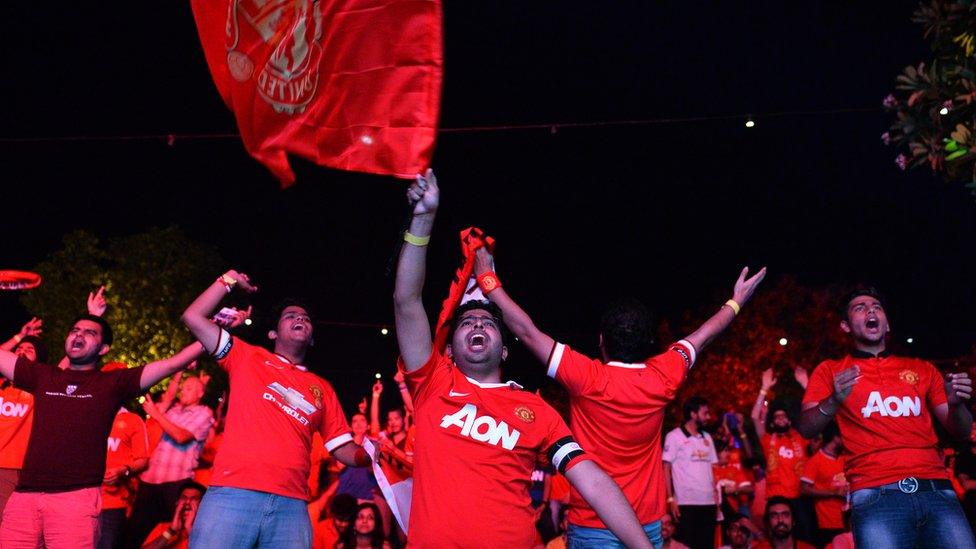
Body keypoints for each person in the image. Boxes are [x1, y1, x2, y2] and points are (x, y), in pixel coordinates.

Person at [393, 169, 654, 548]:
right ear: (447, 350)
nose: (478, 323)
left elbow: (592, 481)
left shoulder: (538, 411)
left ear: (504, 349)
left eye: (488, 321)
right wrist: (422, 219)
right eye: (466, 321)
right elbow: (406, 302)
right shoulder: (432, 382)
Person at [474, 236, 764, 548]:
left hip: (592, 522)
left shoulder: (587, 376)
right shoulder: (664, 375)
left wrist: (487, 279)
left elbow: (526, 331)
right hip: (646, 523)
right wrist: (736, 301)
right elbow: (703, 335)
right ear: (648, 344)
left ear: (601, 341)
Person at [181, 275, 368, 548]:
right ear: (273, 333)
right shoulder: (246, 356)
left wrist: (372, 456)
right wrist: (228, 280)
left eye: (306, 319)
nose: (300, 319)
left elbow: (342, 448)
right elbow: (193, 317)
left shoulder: (323, 389)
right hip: (233, 494)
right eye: (291, 316)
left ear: (312, 338)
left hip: (291, 506)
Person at [0, 312, 204, 548]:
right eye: (75, 330)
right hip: (24, 497)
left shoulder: (112, 383)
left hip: (74, 500)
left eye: (89, 332)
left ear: (104, 348)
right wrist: (18, 337)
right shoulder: (44, 376)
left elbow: (173, 362)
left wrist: (213, 334)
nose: (79, 335)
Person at [796, 286, 976, 547]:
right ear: (845, 326)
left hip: (937, 491)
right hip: (875, 495)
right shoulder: (831, 371)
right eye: (860, 308)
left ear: (887, 323)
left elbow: (961, 430)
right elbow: (805, 428)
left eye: (876, 307)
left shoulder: (922, 369)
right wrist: (834, 399)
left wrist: (957, 405)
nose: (870, 310)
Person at [126, 374, 214, 547]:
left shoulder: (203, 413)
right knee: (133, 535)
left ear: (200, 394)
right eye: (183, 387)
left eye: (189, 388)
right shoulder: (173, 411)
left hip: (176, 484)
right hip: (149, 481)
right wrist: (179, 372)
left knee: (176, 534)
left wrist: (157, 415)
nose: (183, 390)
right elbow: (168, 397)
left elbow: (181, 436)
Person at [99, 361, 151, 549]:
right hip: (79, 499)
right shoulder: (85, 416)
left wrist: (124, 470)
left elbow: (143, 460)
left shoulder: (132, 421)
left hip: (111, 504)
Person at [0, 318, 45, 521]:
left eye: (29, 349)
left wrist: (93, 316)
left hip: (17, 469)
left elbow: (70, 363)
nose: (22, 350)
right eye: (19, 348)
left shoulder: (41, 388)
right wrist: (19, 335)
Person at [663, 396, 718, 549]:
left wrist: (716, 498)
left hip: (708, 504)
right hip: (686, 503)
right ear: (693, 414)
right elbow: (665, 468)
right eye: (705, 413)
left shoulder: (707, 437)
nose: (708, 416)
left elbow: (712, 469)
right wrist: (670, 499)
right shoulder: (674, 436)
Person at [798, 422, 846, 548]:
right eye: (843, 435)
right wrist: (833, 493)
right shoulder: (815, 461)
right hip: (828, 524)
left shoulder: (844, 458)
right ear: (835, 437)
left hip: (848, 521)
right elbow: (804, 489)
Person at [140, 480, 206, 549]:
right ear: (177, 503)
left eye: (194, 499)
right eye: (184, 498)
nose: (187, 502)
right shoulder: (163, 527)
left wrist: (190, 530)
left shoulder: (207, 531)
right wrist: (171, 531)